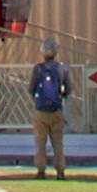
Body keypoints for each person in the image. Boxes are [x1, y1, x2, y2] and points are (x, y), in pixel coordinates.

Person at [27, 42, 71, 177]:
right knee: (57, 143)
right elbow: (68, 89)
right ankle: (60, 171)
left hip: (40, 111)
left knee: (40, 142)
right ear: (55, 52)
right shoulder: (62, 69)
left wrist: (38, 99)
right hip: (56, 110)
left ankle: (41, 170)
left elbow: (30, 89)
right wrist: (61, 97)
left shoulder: (37, 69)